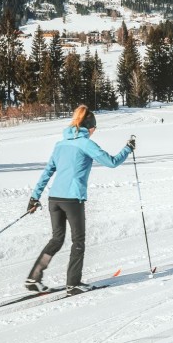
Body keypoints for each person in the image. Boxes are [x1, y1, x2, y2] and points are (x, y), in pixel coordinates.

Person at [24, 105, 134, 294]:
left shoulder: (60, 144)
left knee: (57, 239)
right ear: (90, 127)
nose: (94, 132)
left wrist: (34, 197)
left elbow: (47, 172)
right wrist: (128, 148)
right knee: (78, 241)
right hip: (72, 199)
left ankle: (34, 277)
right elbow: (112, 162)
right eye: (94, 129)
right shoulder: (86, 143)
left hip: (54, 199)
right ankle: (73, 283)